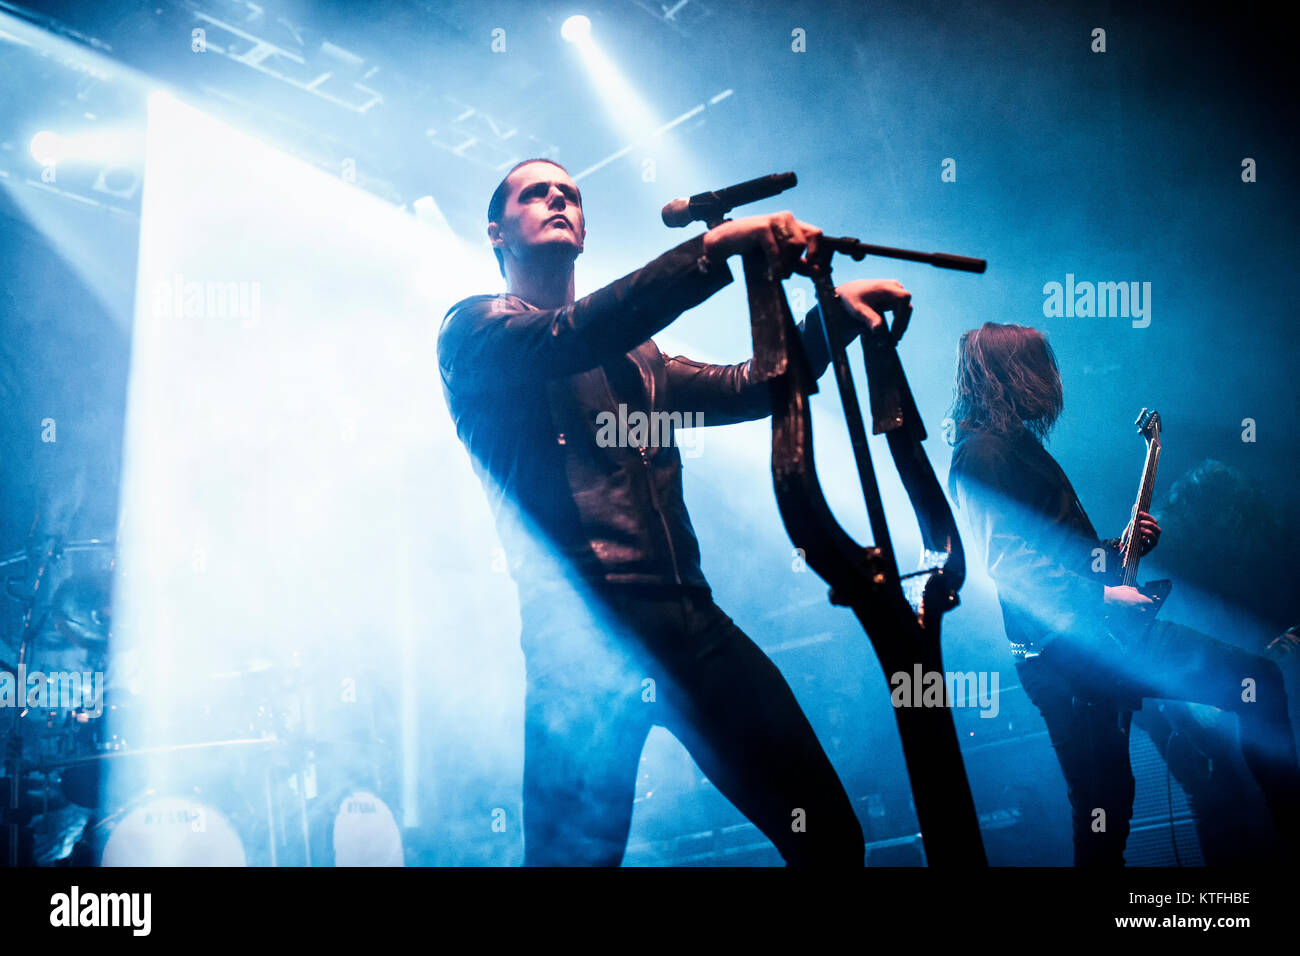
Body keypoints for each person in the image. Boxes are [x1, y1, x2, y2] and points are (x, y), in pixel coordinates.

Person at [438, 158, 911, 865]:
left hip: (692, 622)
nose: (557, 200)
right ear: (495, 230)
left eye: (569, 193)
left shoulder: (640, 355)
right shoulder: (474, 332)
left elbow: (750, 388)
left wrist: (834, 317)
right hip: (582, 635)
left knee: (830, 837)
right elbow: (572, 333)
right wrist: (716, 248)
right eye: (535, 194)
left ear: (587, 230)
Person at [945, 321, 1300, 866]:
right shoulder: (983, 453)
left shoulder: (1014, 444)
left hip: (1095, 639)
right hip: (1064, 655)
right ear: (1009, 372)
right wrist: (1105, 599)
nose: (1052, 379)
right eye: (1040, 365)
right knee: (1103, 804)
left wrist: (1123, 548)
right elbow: (1008, 561)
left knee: (1251, 687)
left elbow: (1060, 552)